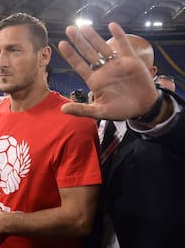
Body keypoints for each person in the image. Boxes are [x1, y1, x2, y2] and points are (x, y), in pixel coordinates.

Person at [0, 12, 101, 248]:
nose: (1, 63)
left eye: (14, 50)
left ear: (44, 56)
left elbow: (79, 218)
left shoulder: (73, 121)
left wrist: (7, 222)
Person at [58, 22, 185, 247]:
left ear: (151, 72)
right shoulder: (88, 124)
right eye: (105, 62)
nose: (113, 70)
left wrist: (153, 111)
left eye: (123, 62)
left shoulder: (162, 124)